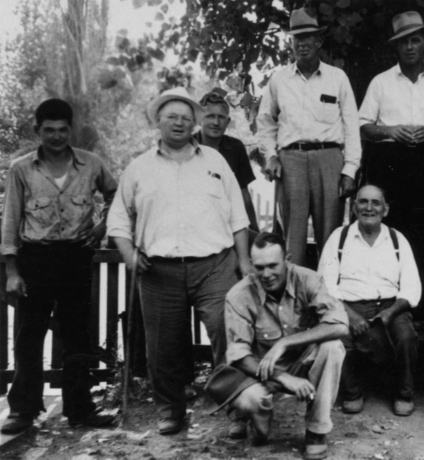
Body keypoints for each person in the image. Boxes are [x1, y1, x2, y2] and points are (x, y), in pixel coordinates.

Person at [107, 87, 253, 435]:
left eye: (186, 119)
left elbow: (238, 215)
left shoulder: (216, 162)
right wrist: (129, 256)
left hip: (215, 265)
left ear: (194, 125)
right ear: (158, 121)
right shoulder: (139, 167)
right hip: (158, 271)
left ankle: (237, 410)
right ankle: (171, 411)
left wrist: (244, 260)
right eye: (171, 117)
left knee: (228, 334)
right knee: (163, 346)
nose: (179, 123)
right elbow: (117, 220)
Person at [0, 99, 117, 434]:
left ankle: (80, 410)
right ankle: (23, 410)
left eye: (62, 129)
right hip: (35, 258)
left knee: (77, 335)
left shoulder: (91, 164)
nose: (56, 136)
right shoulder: (21, 168)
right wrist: (11, 271)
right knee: (28, 336)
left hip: (76, 258)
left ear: (71, 130)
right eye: (48, 130)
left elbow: (116, 195)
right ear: (38, 130)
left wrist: (101, 227)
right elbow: (10, 221)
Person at [211, 232, 348, 460]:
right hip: (259, 372)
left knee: (332, 347)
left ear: (288, 259)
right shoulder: (239, 295)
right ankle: (255, 419)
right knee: (250, 402)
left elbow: (341, 325)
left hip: (300, 362)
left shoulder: (308, 280)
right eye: (259, 267)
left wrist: (285, 342)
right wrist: (283, 378)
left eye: (273, 265)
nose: (266, 274)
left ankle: (316, 431)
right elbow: (238, 356)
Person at [359, 10, 424, 286]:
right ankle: (384, 290)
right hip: (388, 161)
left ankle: (418, 299)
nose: (409, 47)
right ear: (396, 46)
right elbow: (364, 126)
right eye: (403, 42)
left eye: (415, 40)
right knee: (388, 227)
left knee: (423, 230)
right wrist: (390, 130)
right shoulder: (381, 82)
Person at [257, 8, 361, 268]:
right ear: (290, 42)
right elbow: (266, 122)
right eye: (296, 38)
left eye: (307, 38)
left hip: (329, 159)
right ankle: (293, 298)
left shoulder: (337, 78)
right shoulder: (279, 80)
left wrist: (350, 169)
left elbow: (351, 126)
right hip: (291, 160)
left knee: (331, 234)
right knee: (293, 236)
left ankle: (328, 297)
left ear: (319, 41)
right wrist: (270, 155)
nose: (301, 44)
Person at [318, 185, 422, 416]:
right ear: (354, 207)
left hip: (390, 306)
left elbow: (412, 287)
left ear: (385, 209)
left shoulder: (397, 239)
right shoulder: (339, 237)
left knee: (405, 336)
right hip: (347, 306)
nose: (369, 208)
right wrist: (350, 315)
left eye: (376, 203)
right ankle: (353, 393)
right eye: (363, 202)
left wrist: (390, 313)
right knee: (339, 336)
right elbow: (325, 286)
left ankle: (403, 394)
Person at [196, 90, 259, 231]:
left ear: (228, 121)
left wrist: (254, 229)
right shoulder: (189, 145)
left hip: (229, 220)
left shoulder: (236, 147)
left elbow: (244, 194)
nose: (216, 122)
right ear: (200, 119)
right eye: (210, 116)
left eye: (221, 117)